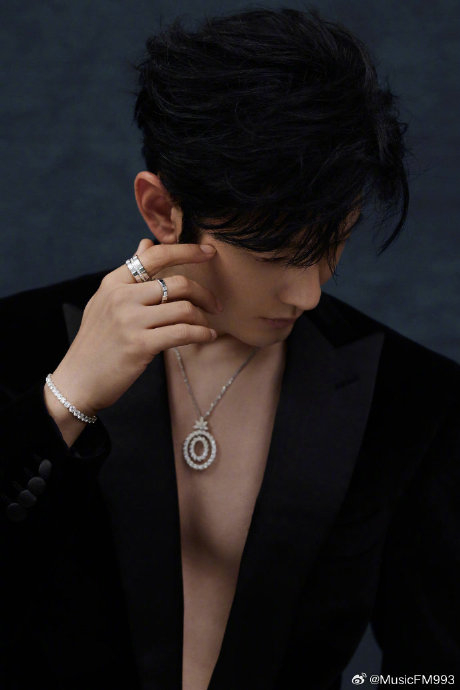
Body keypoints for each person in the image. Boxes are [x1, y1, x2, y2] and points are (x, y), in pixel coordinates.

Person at [0, 6, 459, 690]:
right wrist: (62, 404)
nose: (308, 293)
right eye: (274, 254)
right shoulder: (18, 344)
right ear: (163, 211)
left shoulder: (413, 396)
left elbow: (436, 669)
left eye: (332, 245)